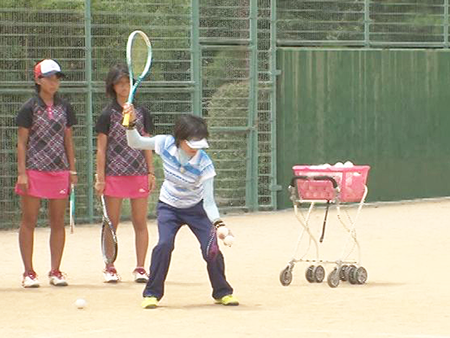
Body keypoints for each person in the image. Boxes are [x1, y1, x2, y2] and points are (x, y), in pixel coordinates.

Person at [124, 109, 239, 309]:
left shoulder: (204, 163)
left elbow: (209, 202)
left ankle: (222, 292)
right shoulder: (165, 143)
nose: (196, 149)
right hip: (169, 206)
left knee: (211, 250)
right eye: (192, 144)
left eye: (200, 144)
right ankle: (151, 294)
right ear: (180, 139)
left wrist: (219, 224)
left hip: (196, 209)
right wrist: (130, 124)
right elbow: (136, 143)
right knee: (164, 245)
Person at [15, 59, 77, 288]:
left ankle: (56, 271)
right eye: (49, 77)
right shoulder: (29, 108)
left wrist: (72, 169)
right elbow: (22, 143)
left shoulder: (65, 107)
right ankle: (29, 272)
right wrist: (22, 173)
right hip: (33, 171)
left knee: (57, 222)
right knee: (29, 220)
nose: (54, 82)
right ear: (38, 80)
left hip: (59, 171)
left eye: (57, 78)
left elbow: (68, 140)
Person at [94, 64, 156, 283]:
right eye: (119, 83)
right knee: (112, 222)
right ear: (113, 86)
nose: (124, 86)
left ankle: (140, 268)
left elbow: (147, 143)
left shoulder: (142, 112)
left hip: (138, 174)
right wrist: (100, 178)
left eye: (127, 82)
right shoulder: (107, 114)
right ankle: (109, 267)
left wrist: (150, 171)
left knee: (140, 222)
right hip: (114, 175)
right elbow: (101, 149)